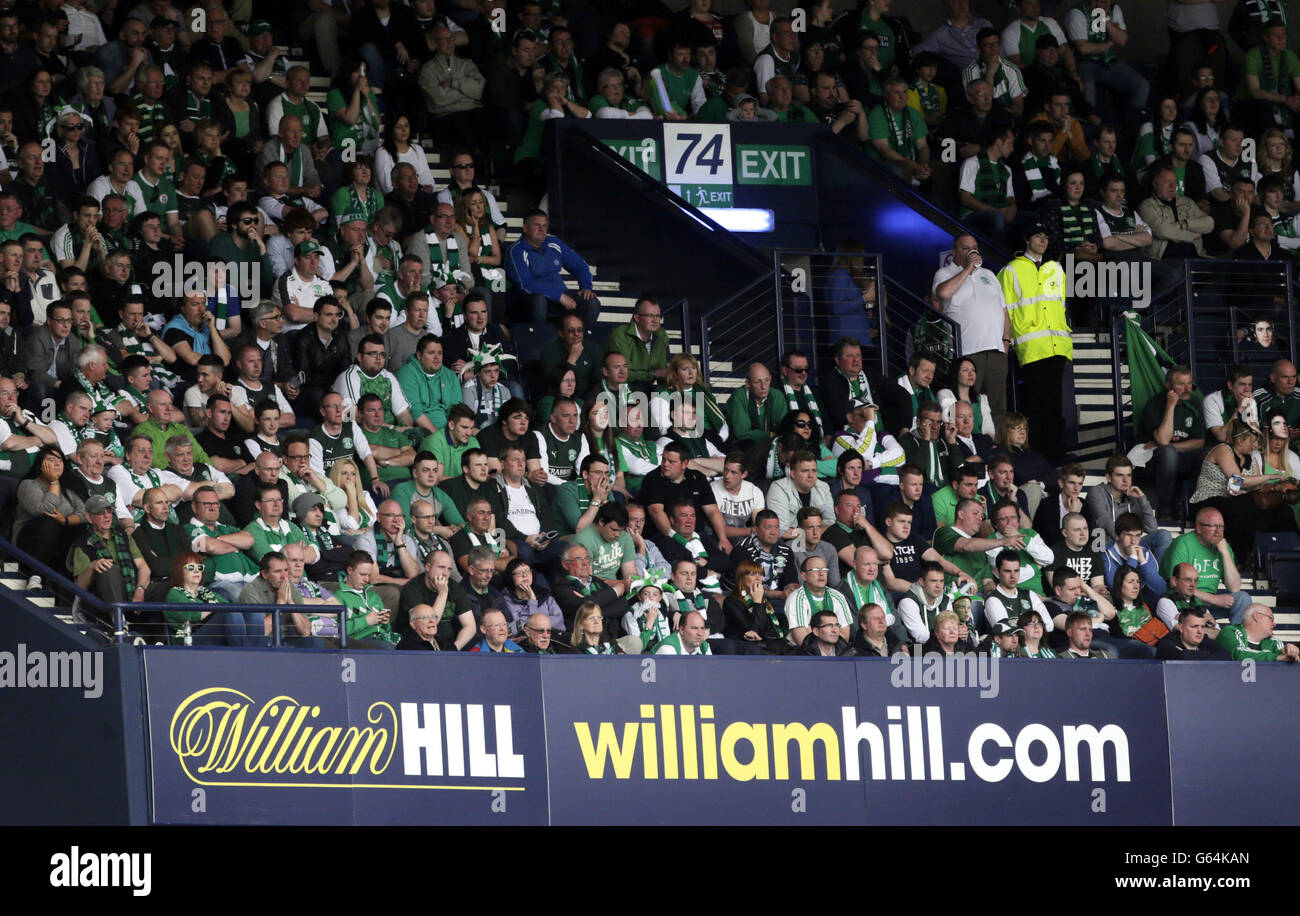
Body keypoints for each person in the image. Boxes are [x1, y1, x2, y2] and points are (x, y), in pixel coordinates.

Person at [998, 220, 1072, 461]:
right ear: (1027, 240)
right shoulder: (1010, 270)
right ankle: (1036, 454)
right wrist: (1007, 341)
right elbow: (1004, 310)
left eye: (1046, 236)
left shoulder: (1056, 269)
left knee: (1054, 404)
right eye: (1037, 235)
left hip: (1057, 344)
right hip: (1031, 347)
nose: (1043, 240)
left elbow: (1060, 305)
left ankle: (1056, 453)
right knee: (1035, 406)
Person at [505, 208, 598, 327]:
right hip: (529, 301)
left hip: (559, 297)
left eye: (544, 226)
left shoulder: (554, 243)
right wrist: (558, 296)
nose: (541, 229)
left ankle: (579, 339)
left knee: (591, 302)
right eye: (536, 225)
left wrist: (586, 287)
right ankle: (538, 338)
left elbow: (580, 266)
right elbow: (526, 285)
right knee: (538, 300)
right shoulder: (516, 250)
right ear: (525, 228)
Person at [66, 494, 149, 619]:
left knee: (166, 586)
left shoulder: (124, 536)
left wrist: (140, 589)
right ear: (89, 517)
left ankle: (171, 634)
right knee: (108, 568)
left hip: (132, 588)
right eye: (100, 513)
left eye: (109, 511)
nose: (107, 516)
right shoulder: (82, 544)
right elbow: (79, 587)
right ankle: (119, 621)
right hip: (103, 598)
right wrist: (92, 566)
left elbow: (144, 567)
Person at [163, 551, 265, 646]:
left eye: (199, 567)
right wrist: (216, 610)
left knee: (255, 613)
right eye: (190, 567)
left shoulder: (207, 592)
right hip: (189, 640)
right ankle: (246, 654)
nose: (196, 571)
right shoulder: (175, 593)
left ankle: (256, 654)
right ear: (180, 571)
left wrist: (212, 611)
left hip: (212, 632)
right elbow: (194, 614)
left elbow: (227, 607)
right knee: (229, 613)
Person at [604, 296, 670, 393]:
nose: (655, 320)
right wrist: (654, 374)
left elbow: (663, 372)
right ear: (637, 318)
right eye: (650, 316)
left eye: (658, 316)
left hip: (646, 388)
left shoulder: (661, 335)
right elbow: (622, 374)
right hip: (621, 389)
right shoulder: (619, 336)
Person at [1218, 603, 1299, 662]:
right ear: (1256, 616)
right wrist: (1277, 657)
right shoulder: (1230, 632)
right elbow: (1240, 655)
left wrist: (1292, 651)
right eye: (1271, 618)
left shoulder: (1273, 642)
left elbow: (1283, 656)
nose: (1274, 624)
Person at [1155, 607, 1232, 659]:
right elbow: (1182, 657)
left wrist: (1188, 653)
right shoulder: (1167, 643)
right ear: (1181, 628)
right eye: (1194, 627)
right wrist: (1209, 655)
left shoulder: (1204, 640)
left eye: (1202, 627)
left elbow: (1226, 656)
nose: (1200, 631)